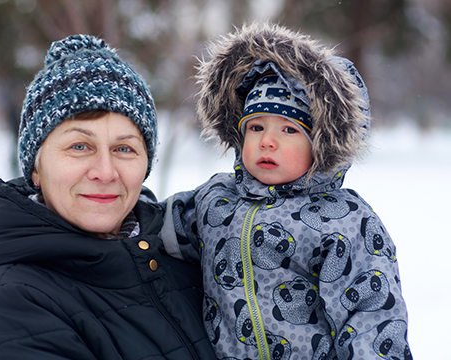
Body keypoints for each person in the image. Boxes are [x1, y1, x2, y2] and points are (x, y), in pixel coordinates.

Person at [0, 34, 217, 360]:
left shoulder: (188, 255)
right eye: (80, 146)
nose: (105, 172)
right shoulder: (4, 307)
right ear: (36, 168)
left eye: (124, 148)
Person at [160, 23, 412, 360]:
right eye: (256, 126)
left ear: (321, 145)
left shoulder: (346, 222)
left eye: (289, 129)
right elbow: (157, 225)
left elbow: (371, 315)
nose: (267, 140)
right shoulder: (215, 199)